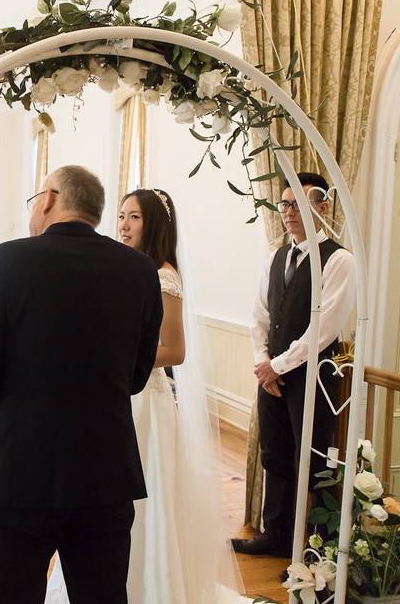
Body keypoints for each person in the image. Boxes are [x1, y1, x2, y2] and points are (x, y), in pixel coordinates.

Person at [0, 166, 162, 604]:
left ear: (49, 198)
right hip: (105, 474)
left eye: (35, 197)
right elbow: (138, 374)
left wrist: (13, 415)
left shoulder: (6, 260)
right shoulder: (139, 270)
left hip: (22, 469)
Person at [46, 188, 241, 604]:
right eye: (120, 216)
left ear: (154, 223)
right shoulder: (127, 269)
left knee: (144, 497)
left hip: (147, 401)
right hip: (119, 396)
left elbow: (175, 349)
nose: (123, 225)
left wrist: (119, 355)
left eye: (134, 217)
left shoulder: (162, 275)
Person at [232, 173, 355, 558]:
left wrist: (278, 366)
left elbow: (325, 327)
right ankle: (277, 535)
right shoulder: (276, 257)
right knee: (277, 455)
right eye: (284, 204)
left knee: (315, 462)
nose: (288, 212)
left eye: (297, 204)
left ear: (321, 207)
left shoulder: (339, 260)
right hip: (272, 376)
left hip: (313, 378)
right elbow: (260, 316)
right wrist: (262, 363)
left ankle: (320, 554)